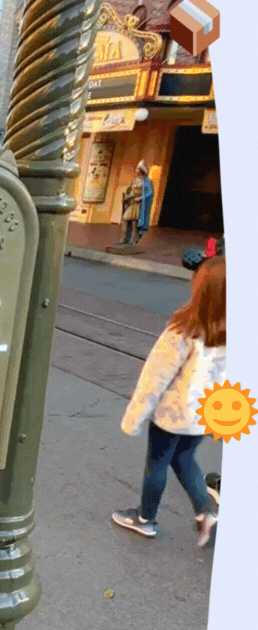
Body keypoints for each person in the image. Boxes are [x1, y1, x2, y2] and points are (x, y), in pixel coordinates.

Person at [112, 255, 225, 547]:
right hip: (205, 415)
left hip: (173, 414)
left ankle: (145, 519)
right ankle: (206, 512)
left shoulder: (183, 330)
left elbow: (154, 378)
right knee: (186, 459)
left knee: (158, 465)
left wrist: (134, 418)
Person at [119, 160, 154, 245]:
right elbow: (130, 190)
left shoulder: (146, 182)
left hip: (139, 204)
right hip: (132, 203)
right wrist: (127, 197)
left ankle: (133, 240)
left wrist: (141, 198)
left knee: (135, 222)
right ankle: (124, 238)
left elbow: (149, 193)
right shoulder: (135, 180)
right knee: (125, 219)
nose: (136, 171)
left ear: (141, 171)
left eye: (138, 169)